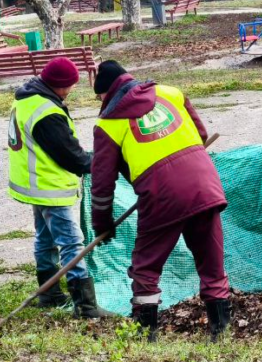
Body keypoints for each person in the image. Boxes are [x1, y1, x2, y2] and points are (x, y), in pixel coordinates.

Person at [90, 60, 230, 340]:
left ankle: (146, 334)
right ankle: (221, 332)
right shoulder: (170, 93)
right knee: (211, 263)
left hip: (161, 195)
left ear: (106, 92)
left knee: (146, 267)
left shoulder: (108, 124)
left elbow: (102, 182)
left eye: (100, 97)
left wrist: (102, 223)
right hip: (204, 185)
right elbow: (201, 135)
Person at [7, 57, 115, 319]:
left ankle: (50, 293)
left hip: (34, 184)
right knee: (71, 243)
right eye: (71, 85)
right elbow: (70, 155)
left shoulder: (27, 98)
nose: (72, 90)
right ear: (61, 85)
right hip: (50, 186)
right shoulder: (47, 113)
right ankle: (85, 305)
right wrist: (98, 165)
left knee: (45, 239)